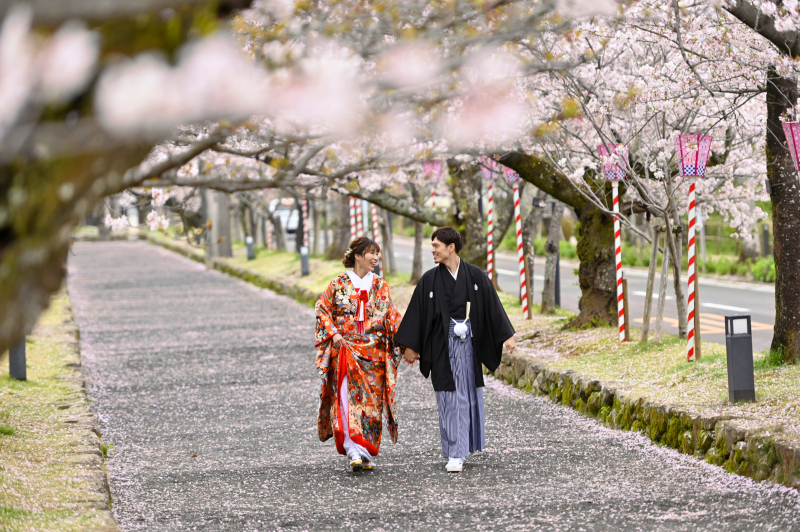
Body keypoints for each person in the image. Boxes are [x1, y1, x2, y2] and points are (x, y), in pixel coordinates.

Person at [394, 227, 515, 473]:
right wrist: (410, 346)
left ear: (451, 247)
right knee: (447, 397)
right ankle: (454, 450)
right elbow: (417, 312)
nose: (433, 250)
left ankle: (458, 451)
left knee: (464, 395)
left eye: (436, 245)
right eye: (432, 245)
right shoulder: (429, 279)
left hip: (468, 345)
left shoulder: (476, 276)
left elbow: (493, 306)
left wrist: (507, 335)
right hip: (442, 346)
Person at [315, 236, 403, 471]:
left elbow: (392, 317)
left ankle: (365, 450)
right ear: (357, 255)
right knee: (346, 399)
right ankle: (353, 451)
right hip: (346, 350)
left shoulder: (380, 286)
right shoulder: (338, 284)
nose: (376, 258)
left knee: (372, 405)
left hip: (373, 355)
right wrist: (333, 333)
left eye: (377, 253)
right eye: (371, 253)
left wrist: (409, 344)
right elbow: (322, 308)